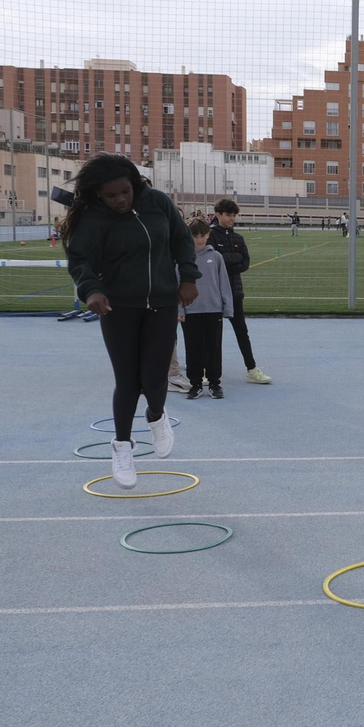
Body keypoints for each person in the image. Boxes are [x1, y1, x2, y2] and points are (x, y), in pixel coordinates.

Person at [62, 154, 197, 490]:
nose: (120, 200)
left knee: (154, 378)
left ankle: (155, 416)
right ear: (98, 195)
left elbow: (181, 239)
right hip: (118, 306)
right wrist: (90, 290)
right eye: (111, 196)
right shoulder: (93, 219)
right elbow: (80, 259)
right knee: (127, 380)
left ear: (134, 185)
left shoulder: (157, 203)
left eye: (125, 192)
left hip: (163, 303)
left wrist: (188, 276)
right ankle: (122, 447)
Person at [209, 199, 273, 385]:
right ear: (218, 214)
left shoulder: (238, 238)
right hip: (215, 293)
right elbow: (213, 262)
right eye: (228, 215)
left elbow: (245, 263)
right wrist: (232, 259)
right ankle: (209, 371)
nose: (232, 219)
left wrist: (226, 260)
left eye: (234, 215)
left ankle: (251, 369)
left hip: (235, 292)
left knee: (241, 331)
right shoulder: (211, 236)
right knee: (214, 334)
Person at [179, 217, 236, 400]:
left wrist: (227, 308)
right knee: (193, 348)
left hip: (213, 310)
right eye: (195, 235)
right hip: (191, 311)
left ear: (208, 235)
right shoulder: (182, 258)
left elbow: (224, 284)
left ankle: (214, 383)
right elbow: (177, 285)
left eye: (203, 235)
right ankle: (195, 384)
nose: (199, 239)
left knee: (214, 347)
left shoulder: (216, 257)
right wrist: (180, 309)